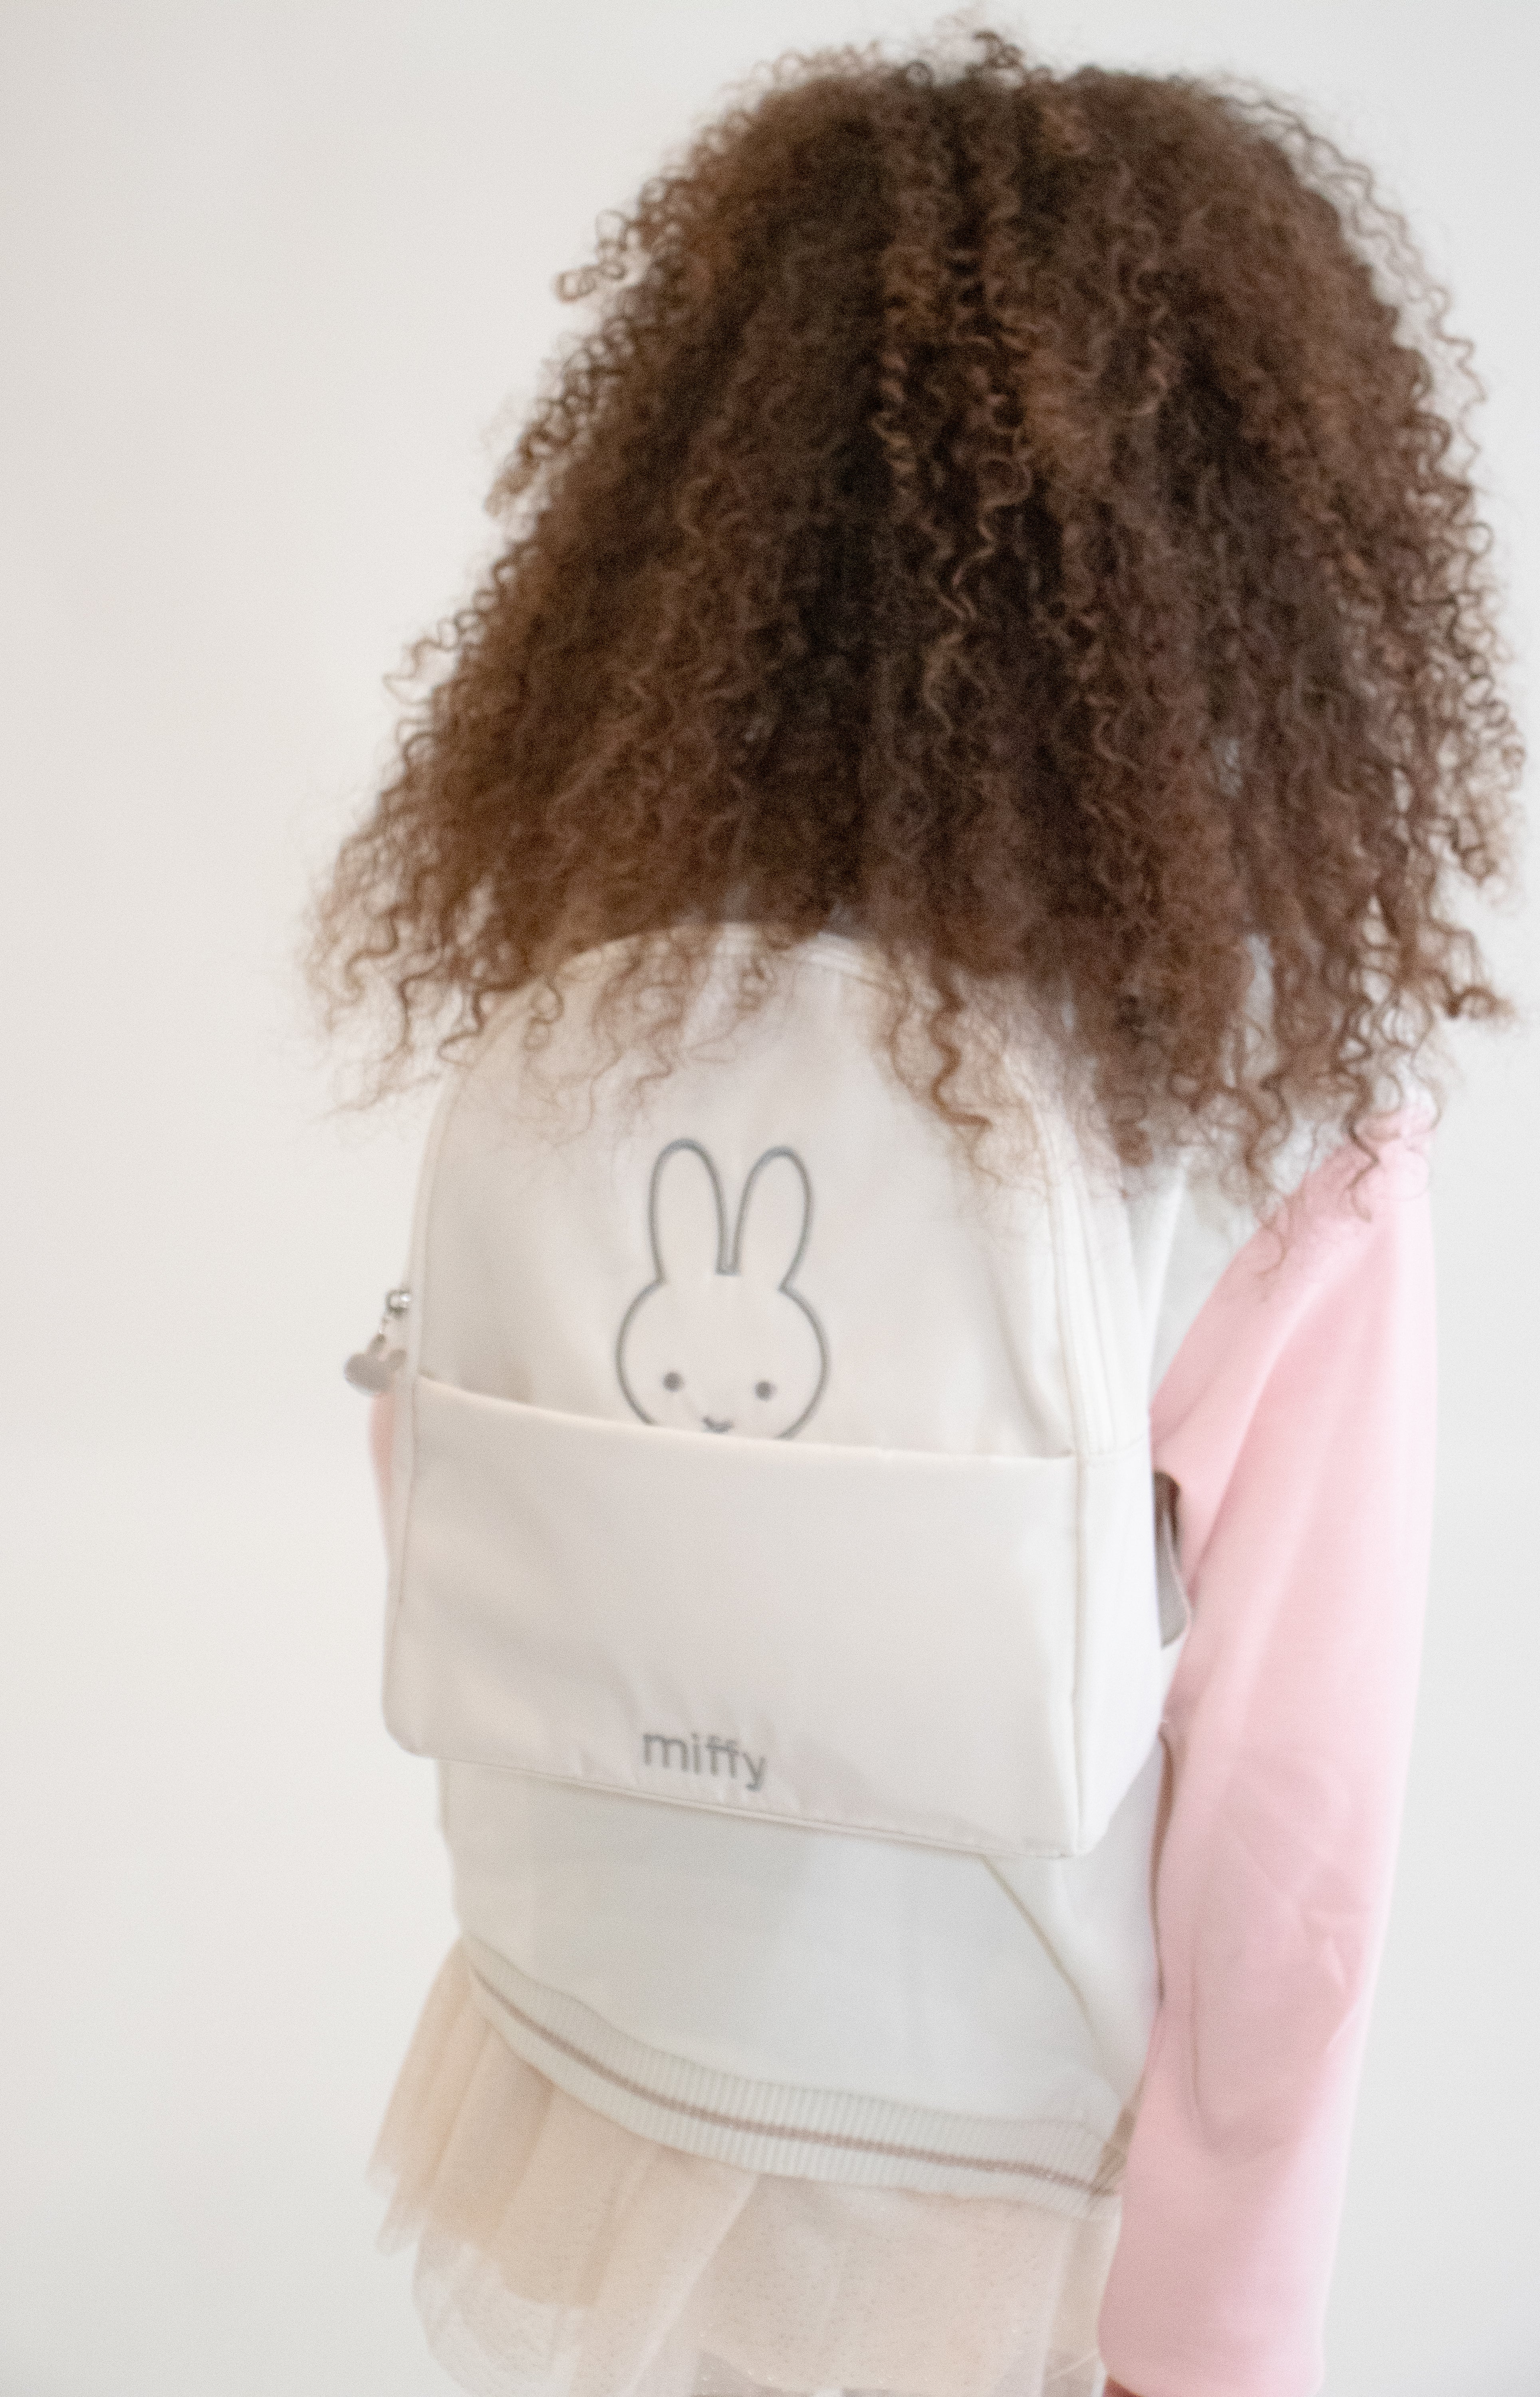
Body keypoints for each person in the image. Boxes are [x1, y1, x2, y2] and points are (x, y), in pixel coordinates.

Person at [307, 24, 1520, 2397]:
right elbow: (1295, 1829)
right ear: (1260, 562)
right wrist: (1218, 2328)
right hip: (981, 2159)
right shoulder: (1268, 1105)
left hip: (580, 2042)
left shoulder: (602, 989)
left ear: (697, 513)